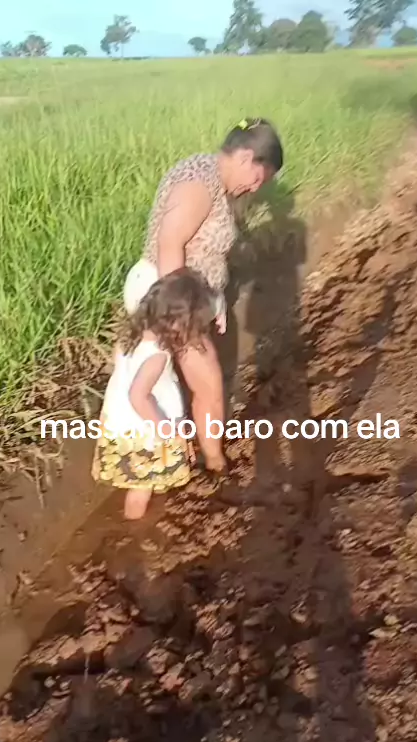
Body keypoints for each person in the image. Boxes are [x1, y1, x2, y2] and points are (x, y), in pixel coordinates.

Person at [123, 117, 284, 473]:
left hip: (185, 296)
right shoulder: (198, 184)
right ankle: (213, 464)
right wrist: (186, 315)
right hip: (170, 297)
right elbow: (169, 248)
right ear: (245, 157)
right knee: (207, 384)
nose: (256, 188)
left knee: (179, 382)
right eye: (258, 178)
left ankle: (183, 456)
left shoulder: (215, 178)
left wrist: (215, 300)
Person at [91, 268, 214, 520]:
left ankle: (134, 521)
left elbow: (120, 376)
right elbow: (138, 396)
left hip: (119, 424)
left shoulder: (130, 336)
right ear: (177, 322)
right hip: (146, 433)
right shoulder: (157, 356)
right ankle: (134, 528)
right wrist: (168, 430)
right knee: (141, 489)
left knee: (138, 483)